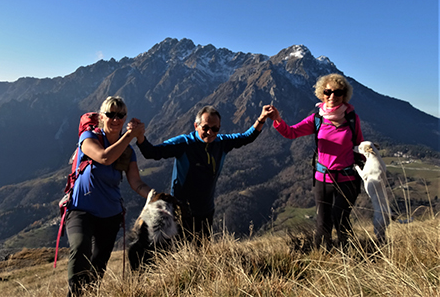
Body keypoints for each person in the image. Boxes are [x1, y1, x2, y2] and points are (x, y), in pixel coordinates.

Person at [129, 105, 271, 241]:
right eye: (205, 127)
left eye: (215, 128)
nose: (210, 132)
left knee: (202, 253)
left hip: (206, 211)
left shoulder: (221, 143)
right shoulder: (184, 144)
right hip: (181, 212)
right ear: (196, 126)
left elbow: (247, 137)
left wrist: (262, 117)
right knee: (180, 252)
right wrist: (140, 136)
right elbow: (152, 153)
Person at [65, 96, 154, 296]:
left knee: (98, 265)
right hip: (81, 209)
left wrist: (155, 196)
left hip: (110, 215)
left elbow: (136, 183)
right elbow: (104, 157)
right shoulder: (88, 137)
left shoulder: (128, 152)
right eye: (110, 114)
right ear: (101, 117)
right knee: (80, 248)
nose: (115, 119)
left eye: (120, 115)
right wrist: (130, 135)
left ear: (125, 118)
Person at [267, 73, 364, 249]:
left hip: (347, 179)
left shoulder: (351, 118)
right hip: (323, 179)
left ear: (344, 95)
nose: (332, 96)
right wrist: (277, 120)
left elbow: (359, 146)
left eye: (337, 92)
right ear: (321, 94)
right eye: (328, 92)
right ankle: (322, 256)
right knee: (322, 221)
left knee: (340, 217)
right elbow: (291, 132)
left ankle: (348, 254)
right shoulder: (317, 119)